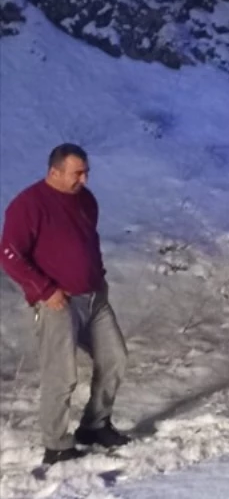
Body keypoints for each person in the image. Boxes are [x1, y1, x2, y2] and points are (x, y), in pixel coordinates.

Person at [0, 143, 130, 471]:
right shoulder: (29, 205)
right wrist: (44, 290)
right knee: (62, 375)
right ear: (54, 172)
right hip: (59, 303)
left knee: (114, 358)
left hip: (94, 297)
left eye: (86, 172)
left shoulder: (86, 200)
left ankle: (95, 425)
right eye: (77, 173)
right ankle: (56, 445)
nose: (84, 179)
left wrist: (98, 277)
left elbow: (89, 241)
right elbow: (9, 253)